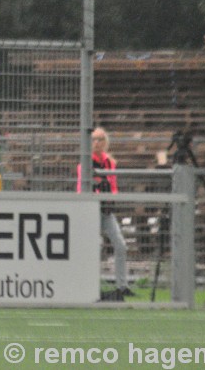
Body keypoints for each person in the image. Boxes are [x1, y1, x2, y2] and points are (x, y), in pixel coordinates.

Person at [76, 127, 132, 297]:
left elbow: (114, 187)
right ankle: (91, 285)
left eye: (100, 139)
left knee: (120, 245)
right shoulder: (85, 164)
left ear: (106, 142)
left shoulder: (110, 163)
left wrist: (110, 196)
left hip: (106, 210)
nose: (97, 143)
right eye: (94, 139)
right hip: (91, 210)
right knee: (94, 246)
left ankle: (122, 285)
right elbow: (81, 189)